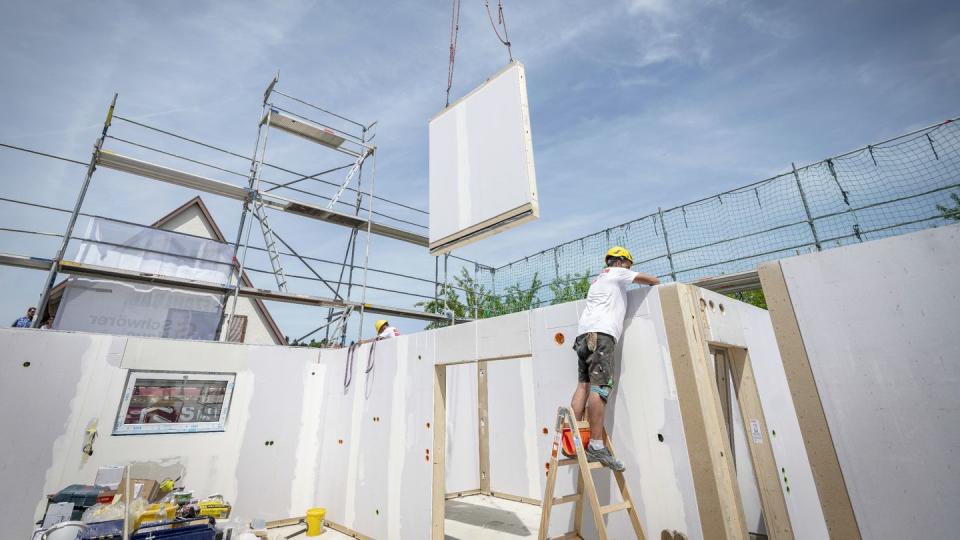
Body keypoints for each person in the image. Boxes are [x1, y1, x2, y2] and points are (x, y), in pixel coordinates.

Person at [571, 247, 660, 471]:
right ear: (620, 262)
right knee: (600, 389)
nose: (629, 270)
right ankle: (596, 445)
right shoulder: (615, 272)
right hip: (601, 335)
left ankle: (573, 439)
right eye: (629, 265)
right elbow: (652, 280)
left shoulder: (597, 280)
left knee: (583, 385)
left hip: (583, 335)